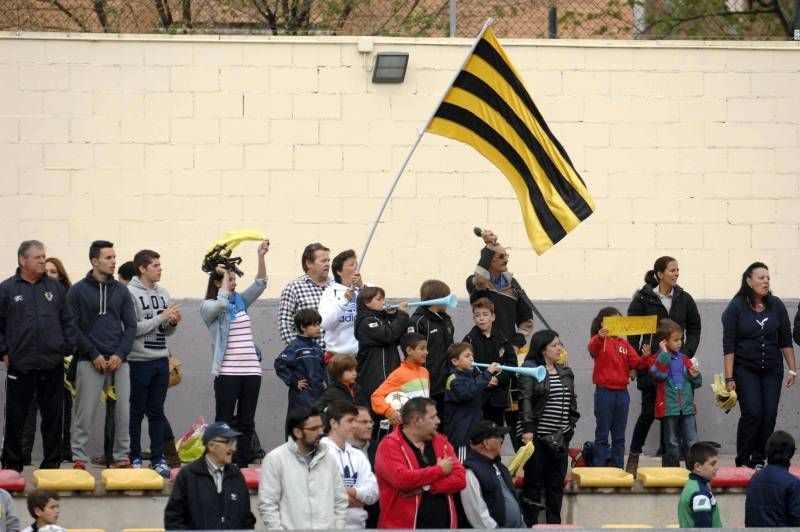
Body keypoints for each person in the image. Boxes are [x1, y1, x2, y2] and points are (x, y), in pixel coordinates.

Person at [0, 240, 78, 472]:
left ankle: (51, 464)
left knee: (53, 418)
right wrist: (3, 351)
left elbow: (69, 320)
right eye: (38, 257)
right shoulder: (7, 289)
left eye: (44, 256)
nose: (43, 260)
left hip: (51, 364)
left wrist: (66, 347)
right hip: (20, 365)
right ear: (22, 260)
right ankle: (12, 465)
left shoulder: (55, 288)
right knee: (16, 417)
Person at [626, 256, 701, 474]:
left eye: (678, 270)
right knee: (648, 413)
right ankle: (633, 455)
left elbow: (695, 327)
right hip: (651, 366)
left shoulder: (685, 299)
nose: (676, 274)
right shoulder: (643, 299)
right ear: (660, 274)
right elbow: (632, 332)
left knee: (678, 415)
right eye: (672, 270)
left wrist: (686, 352)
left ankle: (681, 467)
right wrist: (634, 361)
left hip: (678, 370)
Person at [68, 240, 137, 470]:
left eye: (114, 257)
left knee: (123, 414)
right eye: (108, 258)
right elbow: (72, 327)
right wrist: (93, 353)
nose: (114, 261)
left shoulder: (122, 291)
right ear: (94, 261)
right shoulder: (77, 291)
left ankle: (121, 458)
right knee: (84, 413)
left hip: (120, 362)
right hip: (90, 361)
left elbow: (130, 326)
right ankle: (79, 457)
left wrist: (120, 353)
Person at [200, 240, 269, 469]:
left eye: (234, 279)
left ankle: (241, 464)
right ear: (218, 283)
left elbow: (260, 284)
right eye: (230, 280)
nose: (234, 282)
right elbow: (219, 306)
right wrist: (222, 275)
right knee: (224, 421)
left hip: (251, 371)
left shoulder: (240, 301)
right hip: (228, 372)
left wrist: (261, 256)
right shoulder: (208, 306)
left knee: (246, 422)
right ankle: (221, 463)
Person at [723, 262, 796, 469]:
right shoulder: (735, 307)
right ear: (749, 280)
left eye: (768, 278)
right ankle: (743, 459)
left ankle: (759, 459)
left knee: (769, 414)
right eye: (761, 277)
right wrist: (729, 378)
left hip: (772, 369)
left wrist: (792, 368)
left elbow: (786, 340)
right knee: (753, 412)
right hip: (745, 369)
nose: (766, 281)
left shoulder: (777, 305)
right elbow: (728, 344)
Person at [127, 249, 181, 477]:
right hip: (138, 361)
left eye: (160, 264)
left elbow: (165, 331)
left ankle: (158, 458)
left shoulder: (164, 293)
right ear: (142, 268)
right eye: (155, 265)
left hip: (161, 360)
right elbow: (132, 329)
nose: (160, 268)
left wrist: (172, 322)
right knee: (136, 411)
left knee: (157, 412)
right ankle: (135, 456)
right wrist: (161, 317)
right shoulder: (129, 293)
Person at [373, 397, 466, 529]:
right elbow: (402, 480)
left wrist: (426, 487)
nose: (438, 421)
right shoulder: (389, 445)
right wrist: (439, 470)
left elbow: (460, 479)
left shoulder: (441, 441)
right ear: (417, 420)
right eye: (433, 417)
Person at [519, 330, 579, 525]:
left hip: (560, 438)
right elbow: (525, 398)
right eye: (554, 345)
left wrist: (570, 427)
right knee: (533, 485)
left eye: (560, 344)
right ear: (543, 349)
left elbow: (572, 401)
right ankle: (530, 525)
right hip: (537, 438)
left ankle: (555, 526)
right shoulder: (530, 368)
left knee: (556, 486)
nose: (559, 348)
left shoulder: (565, 371)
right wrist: (528, 428)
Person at [258, 407, 348, 530]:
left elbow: (340, 501)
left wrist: (338, 528)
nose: (321, 432)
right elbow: (268, 505)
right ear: (297, 432)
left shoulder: (329, 458)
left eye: (321, 427)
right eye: (314, 429)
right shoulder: (275, 459)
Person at [22, 257, 73, 465]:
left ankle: (63, 451)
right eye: (47, 271)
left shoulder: (69, 299)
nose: (49, 275)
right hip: (34, 361)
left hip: (61, 362)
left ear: (60, 277)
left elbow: (73, 329)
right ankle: (24, 452)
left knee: (62, 410)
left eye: (54, 272)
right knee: (29, 407)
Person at [587, 307, 650, 468]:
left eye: (619, 321)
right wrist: (599, 337)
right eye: (613, 321)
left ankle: (618, 467)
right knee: (602, 434)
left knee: (619, 435)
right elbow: (592, 349)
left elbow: (638, 363)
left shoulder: (624, 344)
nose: (617, 325)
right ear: (603, 323)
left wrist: (645, 357)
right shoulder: (599, 341)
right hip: (604, 392)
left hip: (622, 393)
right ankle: (598, 468)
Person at [164, 421, 256, 530]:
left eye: (234, 443)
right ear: (211, 446)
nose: (233, 448)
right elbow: (173, 519)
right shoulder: (188, 476)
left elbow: (247, 519)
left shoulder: (236, 476)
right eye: (228, 443)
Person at [466, 228, 533, 350]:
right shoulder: (475, 282)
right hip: (482, 347)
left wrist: (516, 345)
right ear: (489, 261)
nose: (506, 260)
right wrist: (488, 248)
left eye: (506, 255)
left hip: (507, 350)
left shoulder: (513, 285)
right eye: (501, 257)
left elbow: (527, 319)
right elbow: (480, 280)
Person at [462, 298, 518, 440]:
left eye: (485, 314)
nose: (481, 318)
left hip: (498, 397)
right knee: (479, 436)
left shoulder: (503, 340)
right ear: (473, 318)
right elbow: (465, 366)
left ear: (493, 317)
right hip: (477, 397)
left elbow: (511, 364)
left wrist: (498, 379)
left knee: (496, 436)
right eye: (477, 315)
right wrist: (484, 380)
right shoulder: (468, 340)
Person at [649, 319, 702, 467]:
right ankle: (673, 470)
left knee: (692, 440)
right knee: (672, 442)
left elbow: (697, 383)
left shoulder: (685, 359)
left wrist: (695, 374)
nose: (680, 343)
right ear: (664, 342)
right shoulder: (657, 358)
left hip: (686, 406)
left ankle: (694, 470)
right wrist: (664, 355)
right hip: (669, 407)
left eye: (681, 339)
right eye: (676, 340)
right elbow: (658, 375)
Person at [320, 401, 379, 529]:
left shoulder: (358, 455)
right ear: (333, 423)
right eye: (350, 421)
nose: (354, 426)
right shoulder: (319, 453)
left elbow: (373, 492)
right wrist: (360, 499)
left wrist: (349, 491)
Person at [354, 287, 409, 423]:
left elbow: (395, 339)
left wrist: (393, 317)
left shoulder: (379, 318)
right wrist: (401, 316)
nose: (383, 302)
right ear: (367, 303)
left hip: (389, 372)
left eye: (383, 299)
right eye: (379, 299)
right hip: (375, 376)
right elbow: (386, 335)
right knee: (379, 416)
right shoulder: (366, 321)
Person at [459, 420, 525, 529]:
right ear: (486, 443)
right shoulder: (470, 472)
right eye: (498, 436)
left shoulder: (500, 467)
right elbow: (477, 514)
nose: (501, 440)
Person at [407, 279, 455, 418]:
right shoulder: (418, 321)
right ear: (437, 299)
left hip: (445, 383)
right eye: (446, 297)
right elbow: (412, 353)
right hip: (427, 385)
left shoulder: (446, 320)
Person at [443, 343, 499, 456]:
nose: (472, 358)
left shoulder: (471, 378)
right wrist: (487, 374)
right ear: (455, 361)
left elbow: (476, 396)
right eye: (467, 356)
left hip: (472, 434)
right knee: (462, 468)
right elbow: (467, 393)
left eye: (472, 355)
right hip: (461, 437)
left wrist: (485, 385)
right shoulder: (453, 379)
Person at [370, 333, 430, 430]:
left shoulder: (425, 372)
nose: (426, 352)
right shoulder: (399, 374)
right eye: (422, 349)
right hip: (405, 430)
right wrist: (389, 411)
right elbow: (376, 397)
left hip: (422, 428)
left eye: (426, 348)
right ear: (409, 350)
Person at [278, 243, 331, 346]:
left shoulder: (336, 287)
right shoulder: (294, 288)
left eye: (328, 260)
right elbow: (285, 325)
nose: (328, 264)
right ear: (309, 263)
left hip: (336, 357)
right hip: (309, 358)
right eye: (323, 261)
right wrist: (301, 351)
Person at [275, 309, 327, 413]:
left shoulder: (317, 348)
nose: (318, 328)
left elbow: (323, 369)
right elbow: (280, 364)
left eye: (319, 325)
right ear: (303, 327)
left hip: (319, 396)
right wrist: (294, 382)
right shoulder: (295, 347)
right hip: (302, 398)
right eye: (315, 325)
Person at [745, 430, 800, 526]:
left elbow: (749, 516)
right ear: (790, 453)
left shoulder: (754, 479)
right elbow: (797, 520)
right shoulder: (793, 483)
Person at [319, 249, 363, 358]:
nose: (356, 268)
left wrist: (362, 287)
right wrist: (344, 301)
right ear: (339, 271)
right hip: (338, 357)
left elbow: (377, 310)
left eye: (356, 264)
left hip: (363, 355)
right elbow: (325, 323)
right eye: (351, 265)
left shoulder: (366, 288)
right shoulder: (329, 292)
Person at [678, 442, 721, 528]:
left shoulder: (692, 484)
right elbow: (703, 527)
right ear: (698, 467)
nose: (717, 468)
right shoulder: (700, 494)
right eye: (712, 464)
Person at [349, 405, 379, 529]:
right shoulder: (338, 451)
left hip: (377, 516)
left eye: (371, 422)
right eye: (364, 422)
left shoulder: (380, 448)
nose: (369, 426)